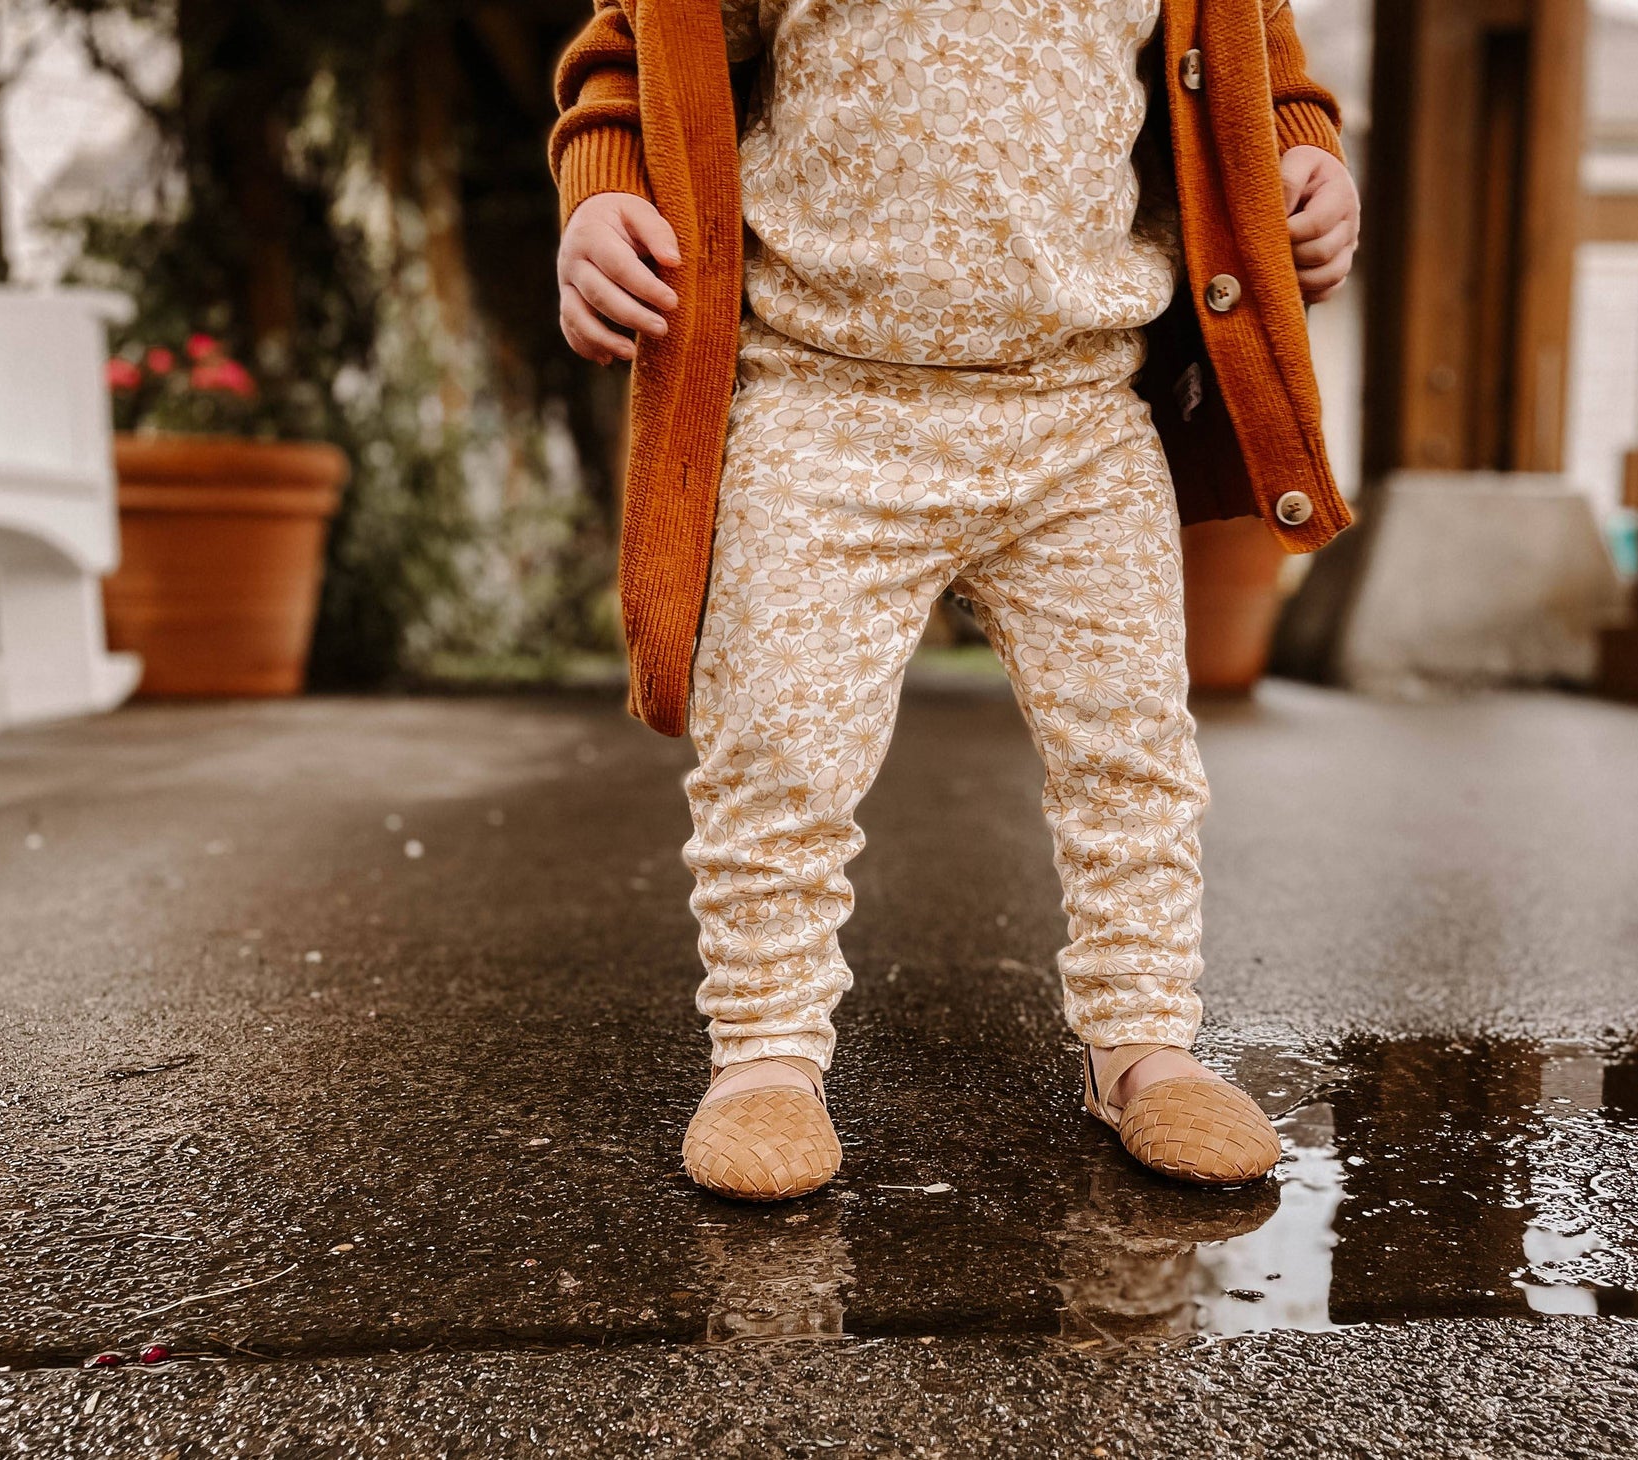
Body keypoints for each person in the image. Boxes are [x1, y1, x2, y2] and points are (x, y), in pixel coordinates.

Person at [550, 0, 1360, 1201]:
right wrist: (601, 194)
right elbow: (634, 47)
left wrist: (1300, 155)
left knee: (1129, 743)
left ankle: (1142, 1038)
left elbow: (1251, 54)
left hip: (1078, 399)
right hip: (818, 391)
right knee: (775, 746)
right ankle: (765, 1049)